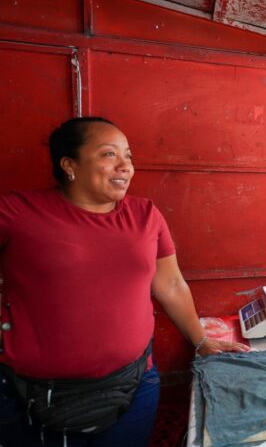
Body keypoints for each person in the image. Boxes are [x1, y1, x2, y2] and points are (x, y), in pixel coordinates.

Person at [0, 117, 249, 447]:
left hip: (133, 386)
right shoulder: (18, 213)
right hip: (33, 395)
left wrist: (201, 340)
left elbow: (171, 284)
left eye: (128, 156)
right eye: (108, 154)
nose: (125, 166)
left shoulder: (145, 214)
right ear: (69, 164)